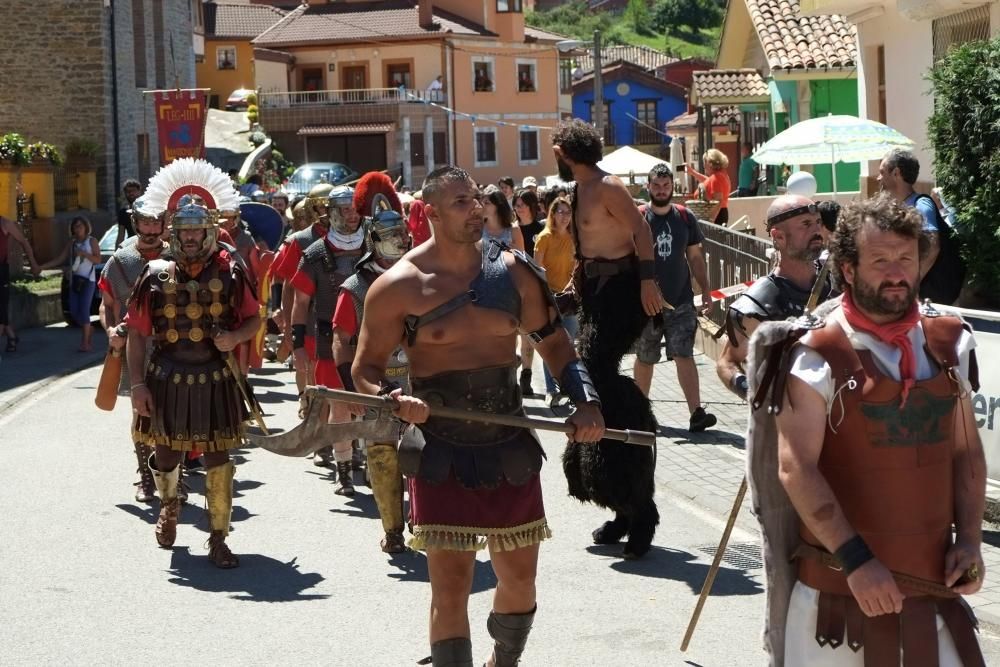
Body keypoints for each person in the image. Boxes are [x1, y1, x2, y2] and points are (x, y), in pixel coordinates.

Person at [351, 165, 605, 666]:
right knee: (450, 589)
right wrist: (394, 401)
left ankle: (503, 661)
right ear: (428, 213)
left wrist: (586, 401)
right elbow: (365, 369)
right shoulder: (397, 287)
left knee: (520, 582)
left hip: (507, 441)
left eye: (476, 199)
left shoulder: (512, 272)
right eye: (462, 203)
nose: (477, 210)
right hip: (439, 443)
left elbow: (554, 342)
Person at [760, 193, 986, 665]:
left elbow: (966, 452)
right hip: (838, 604)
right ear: (847, 269)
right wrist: (857, 561)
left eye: (905, 258)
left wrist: (968, 539)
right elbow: (795, 468)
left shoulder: (949, 344)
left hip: (934, 595)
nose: (896, 271)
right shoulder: (815, 355)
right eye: (879, 259)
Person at [125, 158, 261, 569]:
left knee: (220, 460)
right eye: (181, 231)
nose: (188, 238)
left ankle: (219, 537)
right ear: (172, 232)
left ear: (208, 230)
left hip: (217, 377)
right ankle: (170, 504)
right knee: (166, 455)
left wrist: (236, 336)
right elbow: (136, 333)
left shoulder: (232, 270)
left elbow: (256, 317)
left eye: (195, 230)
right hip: (167, 376)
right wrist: (137, 386)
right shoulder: (154, 275)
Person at [551, 118, 663, 559]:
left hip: (624, 292)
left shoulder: (609, 186)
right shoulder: (580, 189)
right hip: (598, 292)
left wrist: (649, 283)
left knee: (593, 376)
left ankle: (640, 508)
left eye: (555, 151)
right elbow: (590, 246)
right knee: (595, 381)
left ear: (565, 151)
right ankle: (623, 505)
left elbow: (642, 232)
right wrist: (576, 284)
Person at [332, 200, 412, 553]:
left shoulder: (422, 276)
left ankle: (425, 521)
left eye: (402, 233)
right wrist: (351, 390)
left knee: (424, 453)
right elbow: (341, 341)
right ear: (374, 239)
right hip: (374, 383)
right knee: (381, 456)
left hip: (419, 378)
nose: (399, 240)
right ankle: (393, 529)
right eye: (391, 234)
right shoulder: (355, 287)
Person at [716, 195, 832, 400]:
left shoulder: (840, 281)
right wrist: (755, 394)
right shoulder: (758, 304)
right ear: (778, 237)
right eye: (805, 224)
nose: (816, 231)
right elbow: (727, 362)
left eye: (818, 223)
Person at [98, 196, 173, 504]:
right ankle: (145, 476)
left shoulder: (178, 257)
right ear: (136, 223)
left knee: (171, 412)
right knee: (140, 412)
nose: (152, 228)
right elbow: (107, 305)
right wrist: (111, 330)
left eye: (157, 222)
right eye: (146, 222)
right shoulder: (119, 262)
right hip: (135, 346)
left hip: (172, 345)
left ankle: (170, 475)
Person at [288, 184, 363, 485]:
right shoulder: (316, 253)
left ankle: (371, 466)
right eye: (344, 209)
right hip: (329, 341)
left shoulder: (376, 243)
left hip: (373, 340)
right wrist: (297, 346)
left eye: (355, 208)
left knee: (373, 405)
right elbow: (300, 302)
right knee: (340, 405)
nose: (351, 215)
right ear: (330, 213)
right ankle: (343, 469)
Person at [633, 164, 716, 432]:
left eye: (666, 185)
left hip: (680, 300)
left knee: (684, 354)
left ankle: (696, 413)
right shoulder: (638, 219)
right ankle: (641, 412)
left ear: (672, 187)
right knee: (646, 357)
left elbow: (695, 257)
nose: (661, 190)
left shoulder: (685, 217)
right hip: (646, 303)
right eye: (656, 185)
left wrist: (705, 289)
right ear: (648, 187)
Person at [878, 148, 965, 305]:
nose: (878, 178)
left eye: (882, 172)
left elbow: (932, 247)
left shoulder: (922, 205)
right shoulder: (901, 207)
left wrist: (911, 284)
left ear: (896, 173)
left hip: (932, 296)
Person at [533, 196, 579, 407]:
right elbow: (537, 270)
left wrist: (572, 283)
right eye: (560, 212)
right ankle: (551, 390)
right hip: (550, 298)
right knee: (551, 345)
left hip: (569, 298)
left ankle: (568, 387)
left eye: (568, 212)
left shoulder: (573, 237)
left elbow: (576, 265)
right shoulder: (545, 238)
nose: (565, 217)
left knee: (569, 345)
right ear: (552, 214)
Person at [40, 216, 101, 351]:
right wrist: (42, 267)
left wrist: (84, 254)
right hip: (75, 280)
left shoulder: (92, 241)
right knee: (74, 311)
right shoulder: (72, 243)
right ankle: (88, 328)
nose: (78, 228)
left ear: (86, 227)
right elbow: (60, 259)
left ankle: (85, 343)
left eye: (80, 225)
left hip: (88, 281)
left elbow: (97, 260)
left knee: (84, 310)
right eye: (75, 226)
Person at [513, 188, 546, 396]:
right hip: (514, 288)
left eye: (523, 204)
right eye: (516, 205)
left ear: (532, 206)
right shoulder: (512, 230)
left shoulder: (541, 230)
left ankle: (526, 376)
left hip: (535, 290)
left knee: (528, 338)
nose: (519, 209)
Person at [0, 215, 40, 352]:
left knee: (2, 306)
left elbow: (23, 241)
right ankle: (11, 335)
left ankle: (11, 337)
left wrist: (33, 264)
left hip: (1, 270)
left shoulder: (5, 222)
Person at [686, 149, 731, 225]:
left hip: (716, 215)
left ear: (710, 163)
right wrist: (692, 172)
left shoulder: (716, 177)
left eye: (705, 162)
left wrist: (711, 220)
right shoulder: (720, 175)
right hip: (720, 213)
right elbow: (708, 181)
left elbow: (718, 201)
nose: (704, 166)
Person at [482, 188, 524, 252]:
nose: (482, 206)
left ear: (498, 205)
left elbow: (523, 258)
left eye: (486, 203)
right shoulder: (478, 228)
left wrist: (514, 253)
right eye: (481, 203)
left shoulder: (514, 230)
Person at [115, 178, 142, 248]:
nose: (131, 193)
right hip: (132, 246)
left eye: (133, 190)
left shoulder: (148, 208)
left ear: (139, 191)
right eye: (128, 191)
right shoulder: (123, 212)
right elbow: (121, 235)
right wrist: (116, 253)